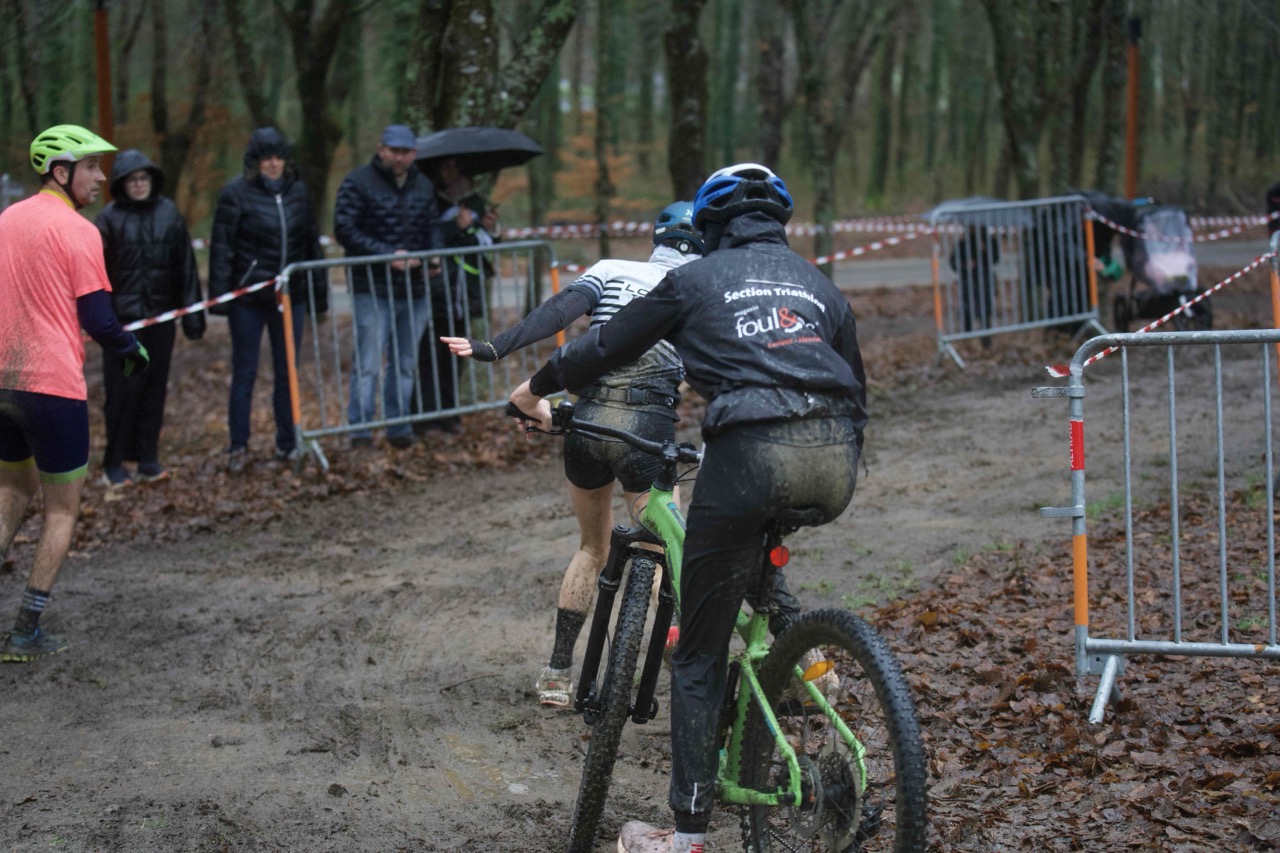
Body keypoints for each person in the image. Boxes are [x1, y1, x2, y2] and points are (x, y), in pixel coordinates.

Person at [509, 164, 868, 853]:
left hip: (751, 452)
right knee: (757, 571)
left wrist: (535, 388)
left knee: (698, 654)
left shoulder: (696, 278)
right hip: (835, 460)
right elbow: (855, 383)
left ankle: (688, 836)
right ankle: (802, 671)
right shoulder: (819, 284)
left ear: (709, 227)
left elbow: (603, 346)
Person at [442, 201, 704, 707]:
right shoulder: (699, 288)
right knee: (660, 549)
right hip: (646, 427)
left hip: (587, 419)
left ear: (657, 238)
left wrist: (494, 347)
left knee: (592, 548)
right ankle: (685, 661)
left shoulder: (612, 268)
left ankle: (558, 673)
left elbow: (556, 314)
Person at [0, 124, 150, 662]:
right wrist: (132, 350)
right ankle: (25, 631)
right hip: (53, 388)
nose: (101, 177)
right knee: (61, 510)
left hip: (3, 380)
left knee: (11, 490)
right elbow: (100, 321)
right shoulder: (79, 231)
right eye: (90, 166)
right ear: (60, 172)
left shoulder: (6, 219)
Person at [209, 127, 325, 472]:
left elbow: (311, 245)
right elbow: (222, 248)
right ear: (255, 161)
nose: (273, 164)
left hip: (290, 298)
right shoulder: (235, 194)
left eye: (278, 157)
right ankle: (238, 446)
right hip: (249, 300)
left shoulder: (299, 192)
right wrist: (220, 299)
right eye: (266, 158)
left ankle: (287, 443)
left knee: (288, 371)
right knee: (245, 372)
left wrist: (318, 295)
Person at [95, 149, 205, 486]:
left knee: (154, 390)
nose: (139, 184)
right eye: (132, 179)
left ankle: (148, 459)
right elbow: (96, 275)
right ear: (122, 183)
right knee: (122, 392)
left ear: (152, 181)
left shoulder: (169, 214)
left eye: (144, 178)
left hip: (161, 319)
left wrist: (194, 316)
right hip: (123, 326)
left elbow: (186, 266)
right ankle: (114, 463)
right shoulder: (108, 219)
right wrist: (103, 321)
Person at [334, 124, 441, 450]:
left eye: (405, 152)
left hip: (415, 287)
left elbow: (432, 226)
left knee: (405, 362)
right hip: (372, 286)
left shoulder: (422, 184)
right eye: (394, 151)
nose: (399, 157)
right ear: (381, 149)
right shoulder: (357, 182)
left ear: (414, 153)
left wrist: (435, 256)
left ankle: (399, 426)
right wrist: (386, 255)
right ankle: (361, 430)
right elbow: (344, 228)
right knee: (368, 363)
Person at [416, 155, 501, 435]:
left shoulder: (471, 202)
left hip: (461, 296)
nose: (452, 173)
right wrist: (456, 227)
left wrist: (489, 228)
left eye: (456, 168)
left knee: (454, 356)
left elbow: (480, 243)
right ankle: (425, 416)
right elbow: (424, 236)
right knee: (428, 357)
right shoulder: (426, 199)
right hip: (433, 291)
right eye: (447, 167)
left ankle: (450, 414)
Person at [948, 223, 998, 348]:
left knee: (985, 313)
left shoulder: (989, 242)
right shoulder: (962, 244)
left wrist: (985, 249)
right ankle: (967, 341)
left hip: (985, 281)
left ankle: (986, 342)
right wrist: (965, 265)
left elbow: (995, 258)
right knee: (967, 312)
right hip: (968, 282)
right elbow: (953, 263)